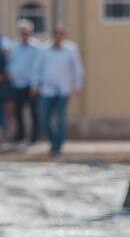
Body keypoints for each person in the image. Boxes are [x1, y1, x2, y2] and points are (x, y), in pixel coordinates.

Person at [33, 26, 84, 156]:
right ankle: (53, 140)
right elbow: (37, 67)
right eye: (57, 34)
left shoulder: (71, 49)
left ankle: (57, 146)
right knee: (44, 118)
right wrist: (35, 84)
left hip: (63, 89)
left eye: (61, 34)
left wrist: (78, 85)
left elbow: (77, 68)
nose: (59, 37)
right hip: (47, 89)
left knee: (61, 119)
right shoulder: (44, 49)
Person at [8, 20, 41, 145]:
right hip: (17, 84)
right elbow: (11, 63)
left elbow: (37, 67)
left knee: (34, 112)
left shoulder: (36, 47)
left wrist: (35, 84)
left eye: (26, 32)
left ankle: (34, 138)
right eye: (22, 32)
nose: (24, 34)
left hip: (31, 85)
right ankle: (20, 136)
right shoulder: (14, 46)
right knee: (17, 112)